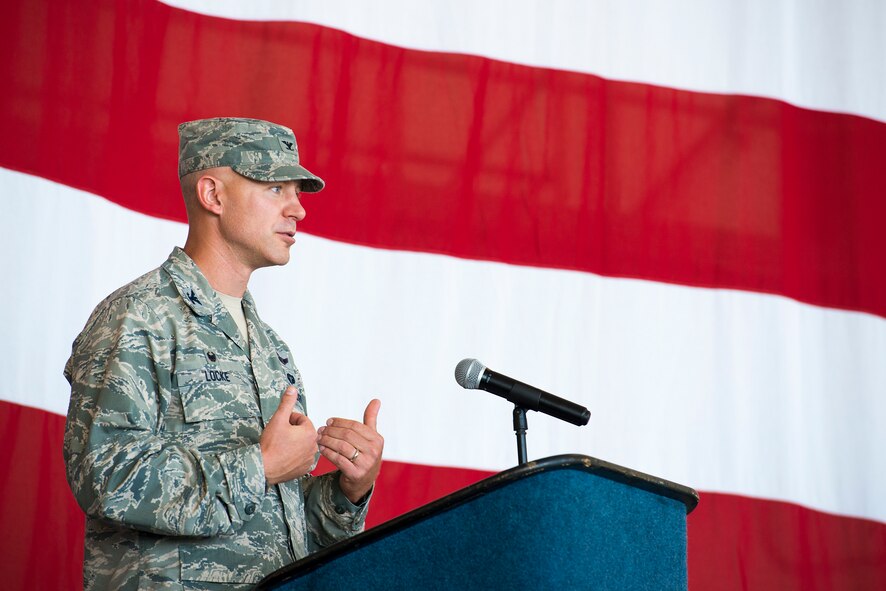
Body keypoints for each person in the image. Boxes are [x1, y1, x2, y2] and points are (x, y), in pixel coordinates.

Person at [63, 117, 384, 590]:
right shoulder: (138, 317)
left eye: (297, 192)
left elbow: (286, 530)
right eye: (276, 188)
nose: (298, 209)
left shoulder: (271, 348)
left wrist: (348, 490)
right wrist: (263, 465)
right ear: (212, 195)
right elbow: (105, 475)